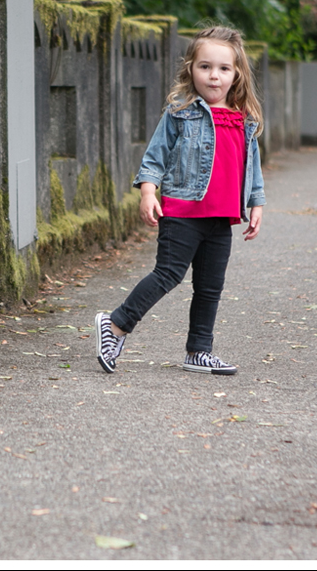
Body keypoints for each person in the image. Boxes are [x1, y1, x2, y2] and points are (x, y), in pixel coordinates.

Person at [96, 25, 265, 376]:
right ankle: (114, 325)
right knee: (168, 274)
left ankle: (199, 351)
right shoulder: (180, 112)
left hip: (221, 218)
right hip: (183, 212)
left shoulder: (244, 119)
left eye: (223, 68)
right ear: (190, 68)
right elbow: (154, 157)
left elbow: (252, 166)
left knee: (210, 287)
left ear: (236, 74)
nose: (213, 75)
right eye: (205, 66)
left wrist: (256, 203)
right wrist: (147, 191)